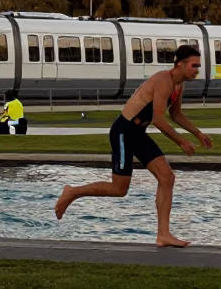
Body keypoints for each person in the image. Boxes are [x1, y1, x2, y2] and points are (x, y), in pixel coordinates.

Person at [54, 44, 211, 248]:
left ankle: (163, 234)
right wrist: (181, 141)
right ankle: (72, 192)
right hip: (124, 132)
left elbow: (175, 114)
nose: (197, 70)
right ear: (180, 64)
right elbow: (158, 119)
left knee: (167, 178)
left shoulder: (178, 85)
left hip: (137, 134)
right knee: (119, 189)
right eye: (194, 65)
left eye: (198, 66)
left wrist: (197, 133)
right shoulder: (163, 80)